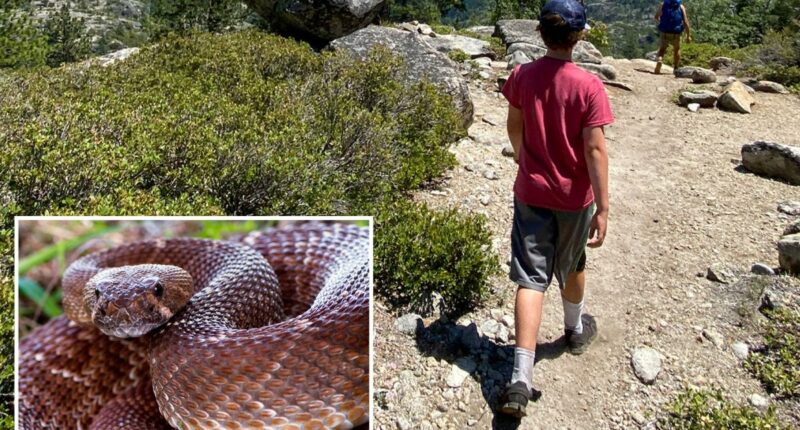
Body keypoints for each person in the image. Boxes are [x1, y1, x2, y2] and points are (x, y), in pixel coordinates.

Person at [497, 0, 613, 418]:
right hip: (574, 197)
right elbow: (595, 148)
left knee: (530, 277)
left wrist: (522, 154)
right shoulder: (588, 86)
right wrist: (603, 206)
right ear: (579, 36)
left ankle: (520, 378)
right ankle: (575, 330)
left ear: (540, 33)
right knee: (574, 263)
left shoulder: (522, 75)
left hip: (531, 190)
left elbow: (514, 122)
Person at [654, 0, 692, 74]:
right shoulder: (681, 7)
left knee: (662, 49)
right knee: (676, 49)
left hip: (664, 32)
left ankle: (660, 59)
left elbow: (656, 17)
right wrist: (688, 35)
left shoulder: (663, 4)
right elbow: (685, 22)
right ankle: (676, 68)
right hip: (676, 33)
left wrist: (661, 24)